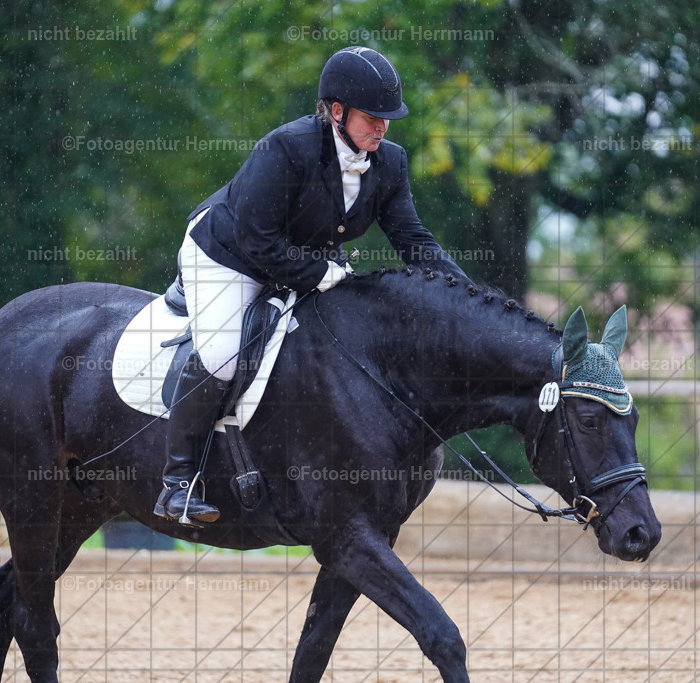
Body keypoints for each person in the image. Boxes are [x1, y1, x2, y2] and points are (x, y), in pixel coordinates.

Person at [154, 46, 468, 525]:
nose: (383, 127)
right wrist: (321, 274)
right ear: (337, 111)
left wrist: (468, 296)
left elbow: (411, 238)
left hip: (304, 259)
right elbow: (255, 240)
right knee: (221, 353)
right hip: (229, 256)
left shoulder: (389, 162)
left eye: (388, 119)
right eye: (373, 117)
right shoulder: (286, 148)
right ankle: (177, 483)